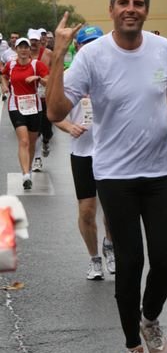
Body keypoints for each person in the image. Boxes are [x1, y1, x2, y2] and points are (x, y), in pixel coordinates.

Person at [46, 0, 167, 353]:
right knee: (131, 261)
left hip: (161, 172)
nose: (130, 8)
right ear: (112, 9)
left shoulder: (162, 49)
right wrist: (58, 57)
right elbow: (54, 111)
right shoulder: (92, 56)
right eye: (123, 3)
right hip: (115, 174)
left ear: (145, 10)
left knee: (165, 262)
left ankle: (149, 321)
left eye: (137, 3)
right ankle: (132, 347)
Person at [55, 25, 116, 281]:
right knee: (87, 211)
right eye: (85, 43)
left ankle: (110, 246)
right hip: (82, 153)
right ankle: (94, 259)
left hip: (111, 152)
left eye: (95, 42)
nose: (91, 47)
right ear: (78, 47)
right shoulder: (70, 76)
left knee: (113, 210)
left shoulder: (113, 75)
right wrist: (69, 126)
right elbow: (55, 114)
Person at [1, 36, 49, 190]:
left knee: (32, 142)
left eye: (26, 47)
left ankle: (28, 168)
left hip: (34, 106)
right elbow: (3, 75)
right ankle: (26, 175)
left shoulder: (37, 65)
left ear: (29, 50)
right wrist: (4, 86)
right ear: (16, 49)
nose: (23, 50)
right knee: (24, 141)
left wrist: (39, 78)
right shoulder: (11, 65)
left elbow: (49, 80)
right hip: (16, 105)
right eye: (20, 47)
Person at [28, 28, 53, 168]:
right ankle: (37, 159)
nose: (33, 44)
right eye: (31, 41)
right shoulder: (24, 55)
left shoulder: (48, 54)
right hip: (30, 97)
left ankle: (46, 141)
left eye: (36, 41)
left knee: (47, 130)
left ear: (40, 41)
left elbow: (56, 71)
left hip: (46, 96)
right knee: (34, 130)